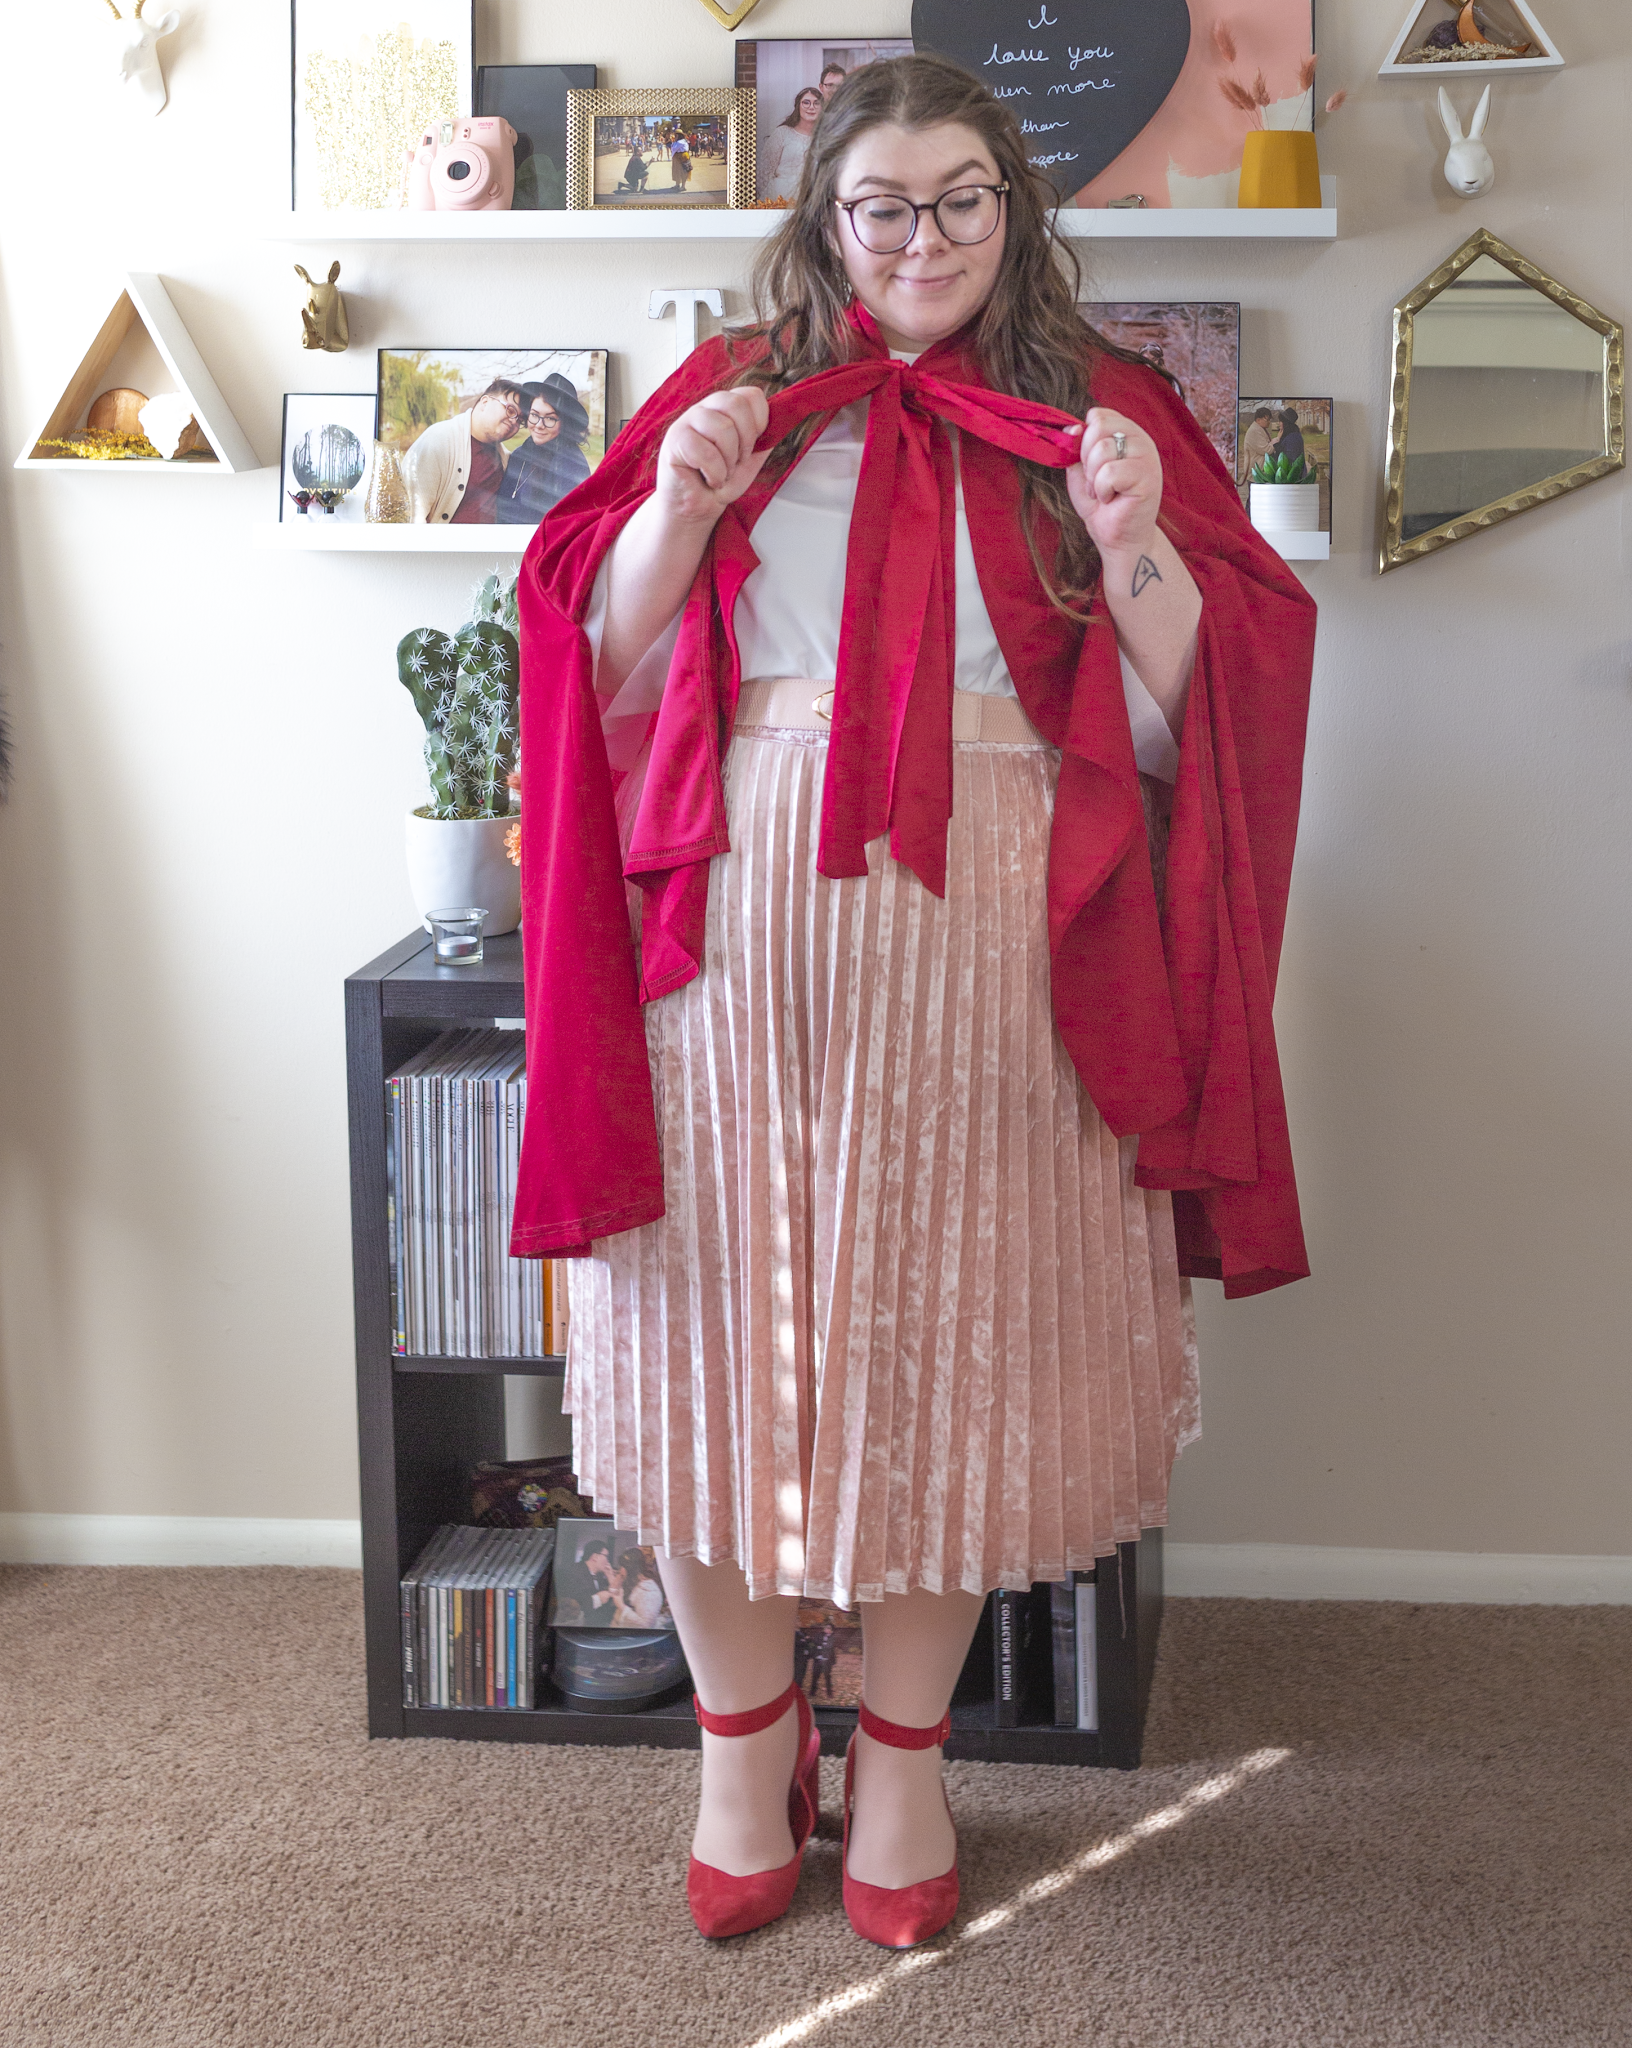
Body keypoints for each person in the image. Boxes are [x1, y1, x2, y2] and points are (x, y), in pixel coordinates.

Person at [510, 53, 1313, 1949]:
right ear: (824, 221)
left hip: (998, 942)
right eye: (883, 204)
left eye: (960, 200)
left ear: (1010, 216)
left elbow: (1211, 694)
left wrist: (1126, 545)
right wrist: (673, 525)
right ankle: (740, 1741)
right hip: (733, 934)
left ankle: (899, 1759)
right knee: (709, 1329)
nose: (921, 239)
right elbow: (581, 654)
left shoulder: (1101, 411)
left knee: (950, 1344)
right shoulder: (730, 401)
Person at [403, 379, 523, 524]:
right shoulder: (438, 440)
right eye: (510, 410)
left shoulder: (505, 459)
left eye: (520, 420)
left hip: (489, 546)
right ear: (485, 402)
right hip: (442, 545)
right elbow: (412, 514)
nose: (514, 422)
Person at [496, 376, 593, 526]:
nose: (539, 425)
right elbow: (502, 508)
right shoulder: (519, 456)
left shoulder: (573, 466)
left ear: (565, 423)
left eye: (550, 418)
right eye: (535, 415)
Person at [761, 87, 824, 202]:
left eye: (816, 103)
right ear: (798, 106)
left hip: (811, 202)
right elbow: (765, 173)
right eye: (806, 103)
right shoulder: (782, 133)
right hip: (779, 202)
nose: (811, 107)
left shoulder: (825, 138)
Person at [556, 1535, 618, 1624]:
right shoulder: (573, 1571)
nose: (607, 1561)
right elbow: (570, 1605)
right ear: (595, 1556)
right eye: (606, 1556)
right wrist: (598, 1599)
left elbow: (612, 1601)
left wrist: (610, 1577)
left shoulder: (600, 1576)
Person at [611, 1547, 669, 1627]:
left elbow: (646, 1625)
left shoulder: (649, 1590)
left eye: (623, 1567)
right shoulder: (631, 1583)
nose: (621, 1570)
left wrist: (621, 1606)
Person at [1239, 404, 1276, 484]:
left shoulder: (1260, 429)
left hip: (1259, 473)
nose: (1269, 422)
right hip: (1256, 474)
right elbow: (1267, 450)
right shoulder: (1255, 431)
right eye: (1267, 420)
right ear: (1258, 420)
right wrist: (1275, 441)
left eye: (1270, 420)